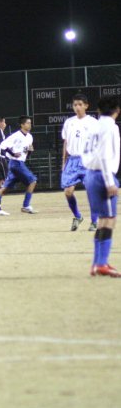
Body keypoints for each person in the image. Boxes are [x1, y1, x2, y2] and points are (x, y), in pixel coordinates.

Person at [82, 96, 120, 277]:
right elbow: (105, 156)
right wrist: (109, 181)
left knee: (104, 219)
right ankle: (101, 263)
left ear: (98, 110)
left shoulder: (93, 126)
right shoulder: (110, 127)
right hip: (102, 175)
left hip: (90, 174)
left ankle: (97, 264)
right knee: (109, 219)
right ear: (117, 110)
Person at [0, 115, 37, 217]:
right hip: (16, 163)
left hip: (19, 163)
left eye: (30, 123)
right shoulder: (16, 136)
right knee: (33, 181)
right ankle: (26, 205)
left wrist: (30, 151)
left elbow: (26, 154)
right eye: (27, 123)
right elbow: (3, 146)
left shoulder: (30, 137)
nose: (29, 125)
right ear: (22, 125)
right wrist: (13, 154)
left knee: (4, 187)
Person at [61, 94, 99, 231]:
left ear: (86, 106)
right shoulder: (69, 122)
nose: (77, 107)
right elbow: (66, 142)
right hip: (72, 160)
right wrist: (63, 161)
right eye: (75, 105)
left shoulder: (93, 122)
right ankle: (78, 216)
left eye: (80, 104)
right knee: (68, 192)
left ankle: (94, 221)